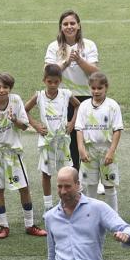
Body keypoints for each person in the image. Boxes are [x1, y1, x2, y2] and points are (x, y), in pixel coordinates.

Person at [0, 72, 45, 239]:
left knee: (24, 187)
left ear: (10, 88)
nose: (1, 90)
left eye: (5, 87)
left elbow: (24, 126)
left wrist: (14, 119)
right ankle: (3, 226)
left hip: (13, 153)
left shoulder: (16, 100)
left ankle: (30, 225)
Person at [44, 10, 98, 172]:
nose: (69, 27)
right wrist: (66, 62)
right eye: (66, 24)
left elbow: (95, 72)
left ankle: (96, 173)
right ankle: (74, 173)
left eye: (72, 23)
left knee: (89, 136)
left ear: (79, 25)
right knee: (69, 137)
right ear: (61, 27)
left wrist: (79, 60)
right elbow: (48, 72)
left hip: (87, 97)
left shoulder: (89, 45)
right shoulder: (54, 47)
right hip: (63, 98)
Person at [25, 64, 80, 214]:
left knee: (66, 172)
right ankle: (48, 206)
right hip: (47, 142)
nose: (53, 85)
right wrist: (35, 125)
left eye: (56, 82)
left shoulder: (66, 94)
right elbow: (24, 110)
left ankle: (67, 203)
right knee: (46, 173)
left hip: (63, 141)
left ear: (60, 81)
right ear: (44, 80)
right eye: (50, 82)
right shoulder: (39, 96)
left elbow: (78, 106)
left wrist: (72, 122)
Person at [75, 72, 124, 211]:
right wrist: (81, 148)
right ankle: (91, 217)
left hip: (106, 151)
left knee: (109, 185)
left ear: (106, 87)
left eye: (99, 88)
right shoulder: (84, 106)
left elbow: (117, 130)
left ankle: (113, 218)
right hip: (89, 152)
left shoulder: (112, 106)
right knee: (89, 186)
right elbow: (79, 129)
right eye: (93, 88)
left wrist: (111, 151)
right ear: (89, 87)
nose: (96, 91)